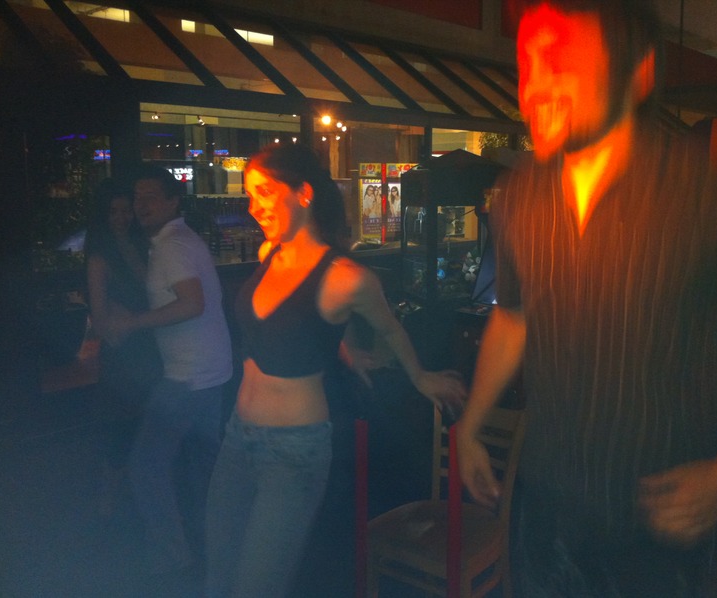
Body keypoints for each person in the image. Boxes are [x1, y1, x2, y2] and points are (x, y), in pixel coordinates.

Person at [456, 1, 717, 596]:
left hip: (654, 528)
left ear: (635, 73)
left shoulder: (706, 194)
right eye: (528, 62)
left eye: (561, 60)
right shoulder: (520, 195)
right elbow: (513, 319)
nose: (536, 86)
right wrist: (470, 425)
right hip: (545, 509)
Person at [204, 143, 466, 598]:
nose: (253, 207)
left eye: (264, 192)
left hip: (293, 453)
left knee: (256, 587)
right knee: (218, 573)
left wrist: (421, 376)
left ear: (303, 193)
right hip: (236, 438)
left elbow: (391, 328)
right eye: (249, 195)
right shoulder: (269, 252)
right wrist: (344, 349)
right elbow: (300, 323)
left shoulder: (348, 277)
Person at [107, 164, 233, 576]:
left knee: (146, 467)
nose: (141, 204)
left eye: (150, 197)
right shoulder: (176, 240)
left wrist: (131, 322)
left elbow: (192, 303)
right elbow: (166, 287)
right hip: (210, 370)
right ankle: (215, 547)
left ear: (173, 201)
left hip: (188, 375)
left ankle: (173, 554)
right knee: (203, 467)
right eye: (137, 197)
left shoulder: (172, 245)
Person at [84, 178, 162, 517]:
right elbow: (102, 320)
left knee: (148, 425)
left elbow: (155, 291)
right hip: (125, 353)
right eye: (113, 211)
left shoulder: (144, 247)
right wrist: (127, 322)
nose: (121, 217)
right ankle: (110, 502)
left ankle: (137, 496)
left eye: (126, 210)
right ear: (104, 216)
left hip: (151, 346)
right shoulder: (100, 258)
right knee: (120, 429)